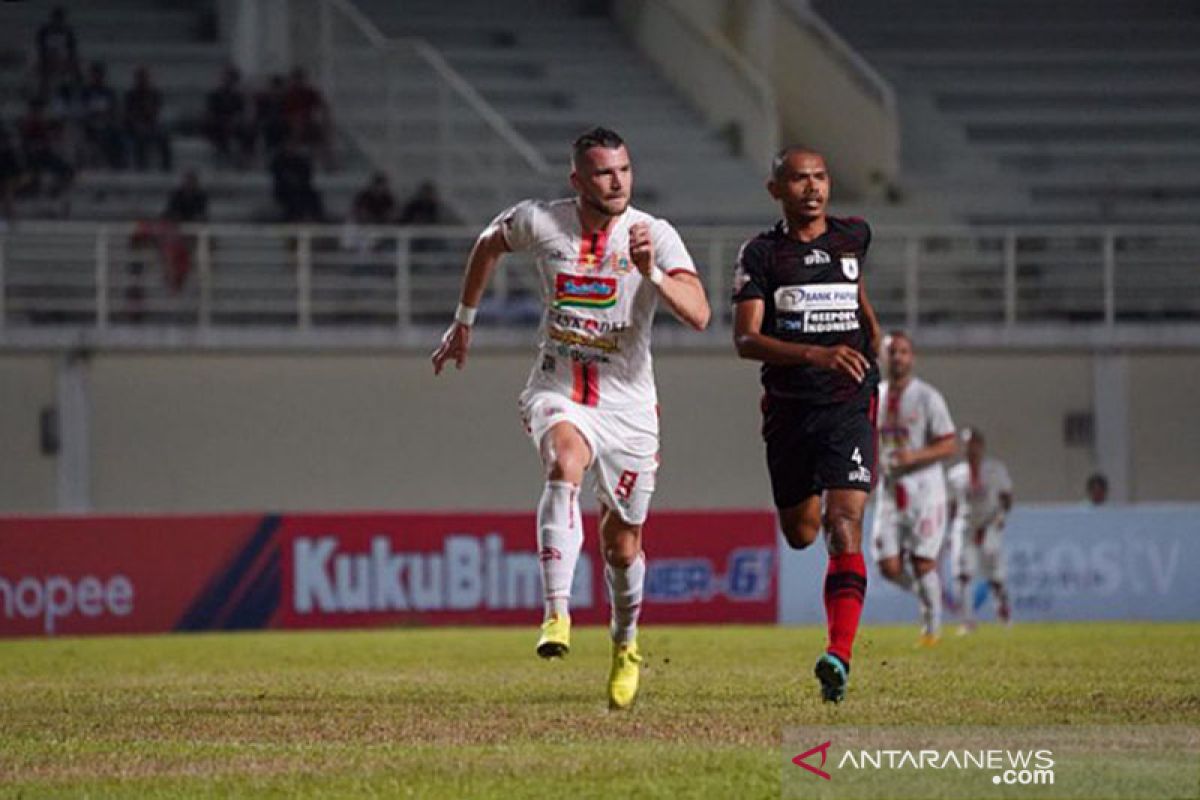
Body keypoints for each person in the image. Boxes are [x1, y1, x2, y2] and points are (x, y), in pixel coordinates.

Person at [431, 127, 710, 710]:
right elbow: (487, 243)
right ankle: (556, 612)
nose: (618, 182)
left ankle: (625, 644)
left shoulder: (654, 234)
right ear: (577, 179)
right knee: (563, 461)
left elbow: (702, 314)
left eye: (625, 170)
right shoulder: (541, 221)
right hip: (559, 387)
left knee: (622, 546)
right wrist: (464, 320)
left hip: (629, 408)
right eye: (605, 173)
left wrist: (652, 273)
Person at [731, 145, 882, 704]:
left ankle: (838, 655)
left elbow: (857, 295)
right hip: (790, 408)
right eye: (798, 180)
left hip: (848, 405)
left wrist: (874, 347)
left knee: (845, 527)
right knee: (802, 533)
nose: (812, 188)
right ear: (777, 190)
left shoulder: (854, 236)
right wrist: (816, 355)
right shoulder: (762, 255)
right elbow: (745, 340)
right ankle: (836, 636)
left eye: (820, 177)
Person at [872, 331, 958, 646]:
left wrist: (915, 455)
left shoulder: (927, 397)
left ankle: (932, 627)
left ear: (912, 357)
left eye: (904, 352)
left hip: (925, 489)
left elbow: (949, 444)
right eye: (892, 352)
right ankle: (928, 594)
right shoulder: (875, 396)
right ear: (882, 357)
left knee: (923, 561)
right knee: (888, 566)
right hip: (890, 487)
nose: (898, 358)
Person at [947, 427, 1013, 633]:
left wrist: (1001, 516)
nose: (970, 449)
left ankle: (1002, 611)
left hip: (989, 523)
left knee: (995, 576)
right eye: (966, 444)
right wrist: (950, 530)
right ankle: (967, 621)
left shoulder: (995, 470)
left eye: (974, 444)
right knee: (962, 573)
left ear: (981, 446)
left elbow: (1007, 498)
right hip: (964, 526)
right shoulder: (955, 475)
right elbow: (952, 505)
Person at [204, 66, 256, 167]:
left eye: (230, 79)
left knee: (248, 129)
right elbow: (210, 111)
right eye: (226, 78)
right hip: (218, 122)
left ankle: (245, 157)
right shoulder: (214, 95)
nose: (228, 81)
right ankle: (223, 152)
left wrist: (237, 119)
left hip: (233, 122)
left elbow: (241, 112)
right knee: (221, 127)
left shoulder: (238, 96)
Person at [125, 67, 172, 171]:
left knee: (164, 137)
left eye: (144, 78)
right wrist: (137, 121)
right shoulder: (131, 95)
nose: (143, 81)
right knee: (139, 136)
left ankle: (166, 167)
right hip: (136, 126)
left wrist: (150, 115)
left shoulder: (154, 94)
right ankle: (140, 167)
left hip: (152, 124)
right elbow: (129, 114)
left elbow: (157, 111)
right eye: (140, 78)